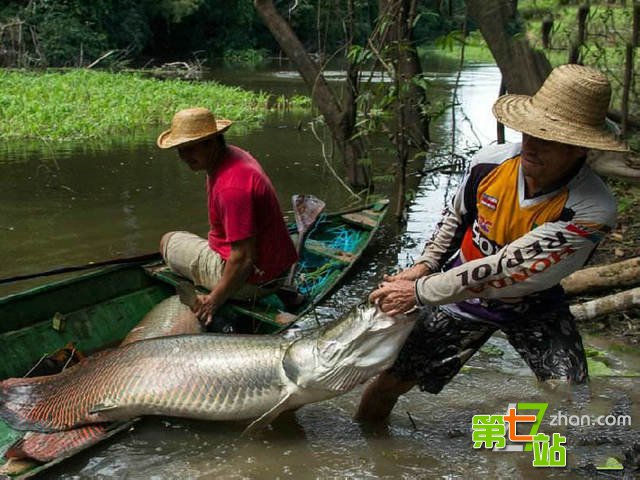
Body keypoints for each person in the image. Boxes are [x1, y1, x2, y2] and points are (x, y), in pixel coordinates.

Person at [356, 64, 629, 421]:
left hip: (533, 303)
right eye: (531, 132)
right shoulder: (491, 163)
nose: (533, 145)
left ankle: (542, 466)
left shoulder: (590, 207)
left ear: (580, 149)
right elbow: (456, 218)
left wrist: (420, 291)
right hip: (459, 298)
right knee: (390, 382)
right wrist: (424, 266)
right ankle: (374, 452)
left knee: (569, 397)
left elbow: (508, 268)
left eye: (551, 138)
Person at [157, 107, 298, 326]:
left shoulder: (231, 188)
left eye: (189, 149)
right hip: (277, 271)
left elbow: (243, 259)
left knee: (168, 241)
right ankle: (282, 290)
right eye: (180, 150)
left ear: (211, 143)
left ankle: (238, 290)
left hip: (252, 280)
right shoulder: (235, 154)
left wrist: (213, 301)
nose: (183, 157)